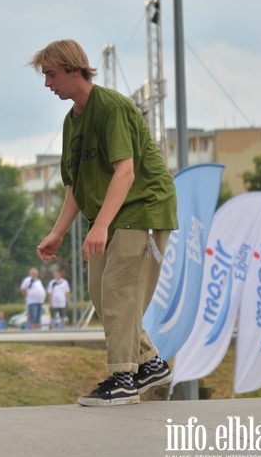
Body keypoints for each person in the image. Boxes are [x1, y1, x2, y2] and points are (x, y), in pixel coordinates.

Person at [29, 39, 177, 407]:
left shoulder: (111, 108)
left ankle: (124, 377)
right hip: (110, 215)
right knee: (101, 293)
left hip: (142, 207)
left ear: (73, 68)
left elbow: (125, 173)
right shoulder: (72, 121)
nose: (47, 83)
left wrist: (99, 227)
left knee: (118, 293)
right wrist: (57, 233)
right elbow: (77, 185)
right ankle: (152, 363)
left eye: (51, 74)